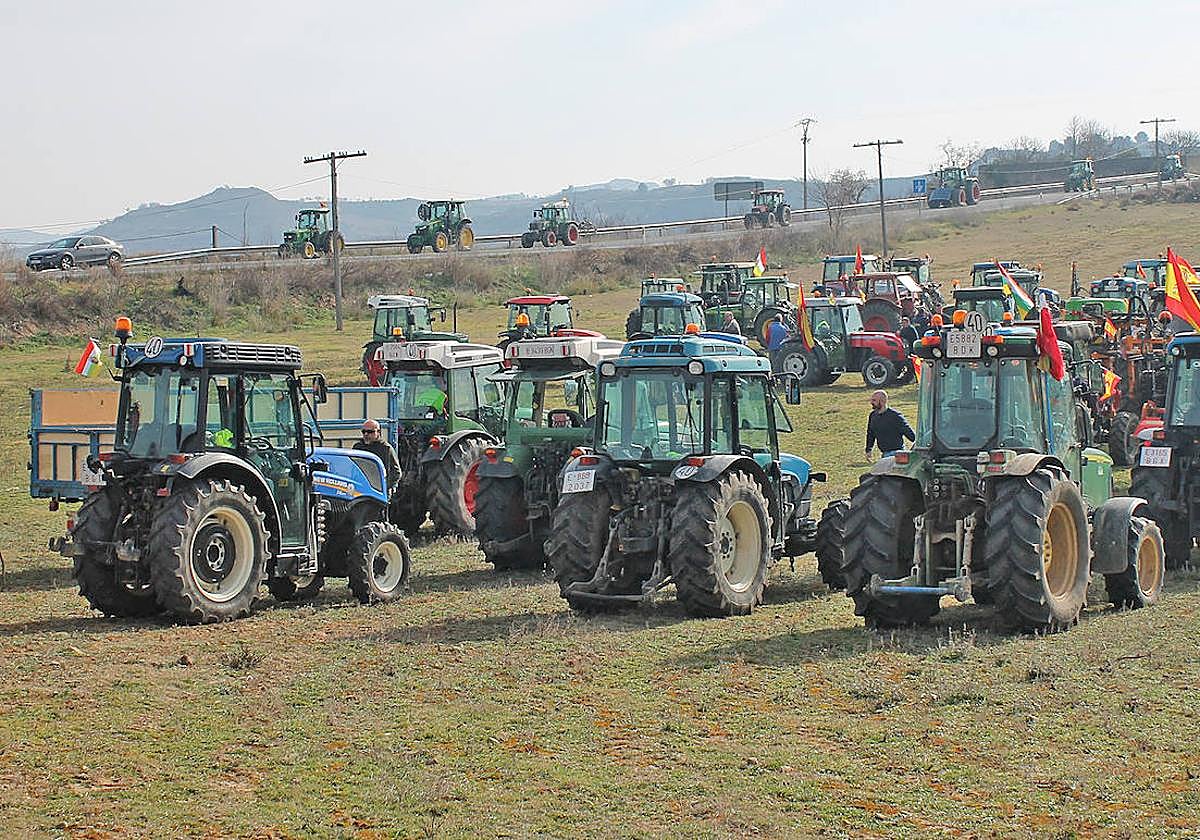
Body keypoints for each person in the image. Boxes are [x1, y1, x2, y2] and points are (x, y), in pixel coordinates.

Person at [865, 390, 915, 459]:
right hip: (884, 454)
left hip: (896, 454)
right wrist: (868, 450)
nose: (871, 402)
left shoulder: (895, 416)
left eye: (874, 400)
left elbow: (911, 435)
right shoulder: (873, 416)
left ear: (882, 401)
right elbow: (870, 434)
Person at [355, 419, 401, 491]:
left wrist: (384, 487)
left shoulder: (385, 448)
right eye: (364, 432)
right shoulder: (358, 447)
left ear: (378, 432)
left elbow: (396, 473)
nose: (366, 434)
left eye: (370, 432)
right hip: (362, 488)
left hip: (379, 491)